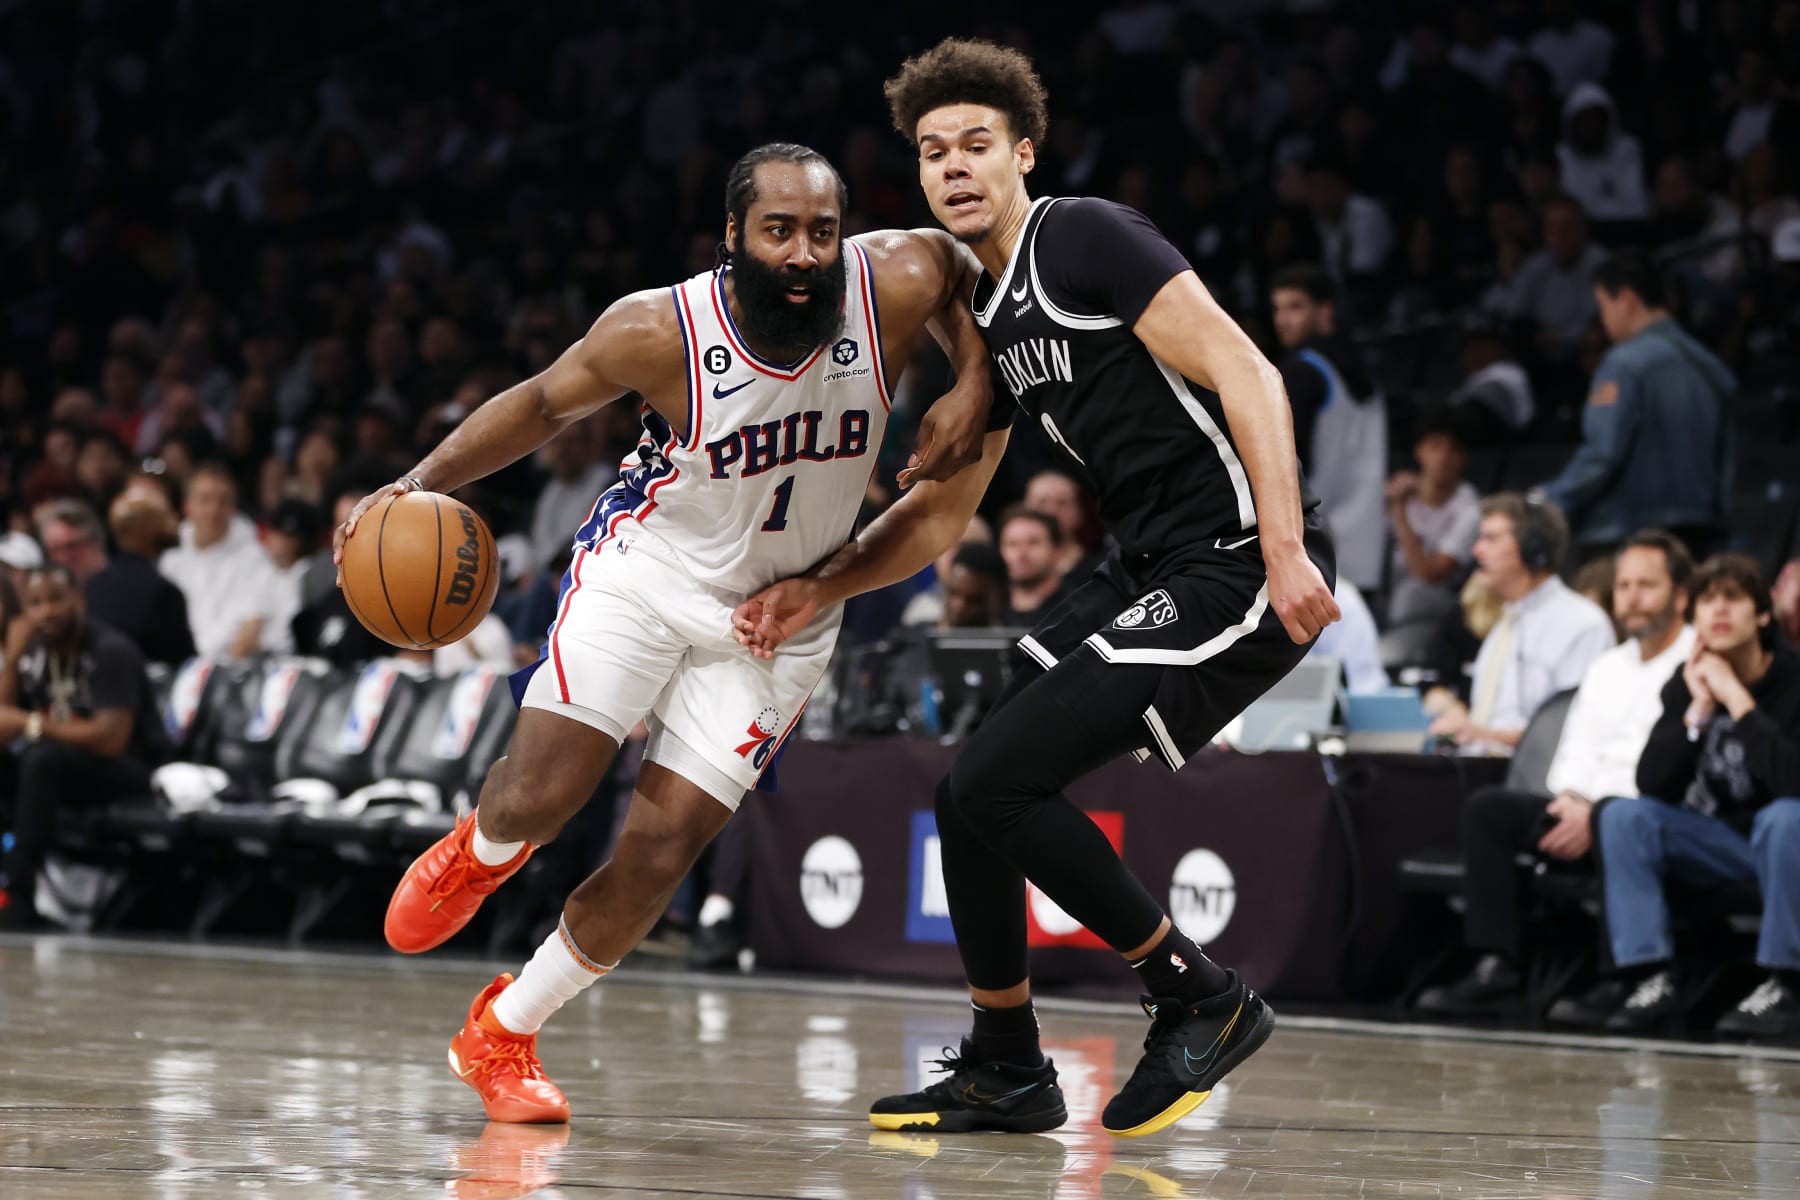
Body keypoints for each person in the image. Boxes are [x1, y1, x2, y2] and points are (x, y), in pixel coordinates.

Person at [734, 39, 1339, 1139]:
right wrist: (823, 586)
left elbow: (1249, 370)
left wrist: (1288, 550)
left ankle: (1198, 994)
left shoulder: (1087, 235)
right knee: (968, 789)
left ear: (1022, 153)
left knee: (1001, 779)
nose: (954, 167)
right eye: (932, 152)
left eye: (976, 145)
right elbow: (945, 514)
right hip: (1143, 563)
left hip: (1235, 553)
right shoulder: (993, 308)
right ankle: (1006, 1063)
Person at [333, 143, 995, 1124]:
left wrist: (974, 372)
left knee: (663, 847)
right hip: (645, 575)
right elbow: (543, 402)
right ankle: (485, 846)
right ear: (734, 237)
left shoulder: (893, 277)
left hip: (788, 610)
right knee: (545, 797)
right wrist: (418, 483)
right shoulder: (659, 326)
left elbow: (962, 271)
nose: (805, 252)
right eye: (779, 231)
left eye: (821, 230)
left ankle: (502, 1032)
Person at [1417, 530, 1695, 1014]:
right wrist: (1570, 799)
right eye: (1624, 585)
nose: (1631, 596)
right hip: (1582, 805)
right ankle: (1497, 965)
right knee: (1489, 810)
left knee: (1617, 818)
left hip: (1651, 813)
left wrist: (1593, 812)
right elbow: (1575, 746)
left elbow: (1668, 765)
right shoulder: (1608, 665)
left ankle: (1620, 980)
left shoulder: (1696, 661)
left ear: (1681, 595)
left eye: (1646, 585)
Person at [1553, 555, 1800, 1038]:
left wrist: (1740, 703)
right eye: (1707, 600)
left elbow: (1794, 783)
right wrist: (1697, 714)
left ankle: (1786, 983)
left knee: (1785, 817)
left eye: (1733, 598)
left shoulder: (1793, 680)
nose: (1719, 611)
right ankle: (1650, 977)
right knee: (1622, 815)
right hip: (1720, 846)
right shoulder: (1687, 683)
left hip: (1783, 841)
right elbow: (1653, 785)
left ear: (1763, 615)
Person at [0, 565, 168, 929]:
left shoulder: (111, 650)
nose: (46, 612)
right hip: (66, 770)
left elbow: (111, 740)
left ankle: (19, 889)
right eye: (35, 604)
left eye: (56, 599)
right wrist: (12, 658)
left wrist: (32, 724)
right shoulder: (34, 653)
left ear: (79, 598)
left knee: (41, 759)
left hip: (131, 771)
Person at [1538, 253, 1735, 560]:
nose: (1603, 320)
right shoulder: (1714, 369)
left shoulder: (1624, 362)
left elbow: (1603, 453)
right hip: (1700, 534)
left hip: (1627, 533)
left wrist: (1547, 501)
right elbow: (1728, 461)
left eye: (1603, 306)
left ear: (1626, 299)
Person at [1427, 494, 1615, 756]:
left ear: (1532, 549)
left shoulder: (1583, 625)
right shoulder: (1504, 626)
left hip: (1535, 781)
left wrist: (1481, 734)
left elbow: (1572, 733)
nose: (1476, 551)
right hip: (1479, 769)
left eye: (1491, 539)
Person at [1270, 263, 1386, 591]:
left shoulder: (1303, 373)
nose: (1283, 319)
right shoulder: (1369, 376)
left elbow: (1286, 463)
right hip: (1367, 552)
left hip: (1315, 552)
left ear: (1325, 312)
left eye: (1295, 307)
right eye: (1277, 308)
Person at [158, 464, 289, 659]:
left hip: (229, 672)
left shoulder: (254, 559)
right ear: (188, 506)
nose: (214, 510)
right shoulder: (170, 561)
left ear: (233, 508)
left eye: (223, 501)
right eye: (205, 500)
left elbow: (253, 627)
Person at [1385, 412, 1482, 627]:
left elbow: (1428, 575)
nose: (1443, 458)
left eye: (1453, 450)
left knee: (1411, 594)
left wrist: (1399, 511)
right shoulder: (1398, 490)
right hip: (1388, 585)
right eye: (1435, 446)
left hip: (1442, 598)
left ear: (1464, 458)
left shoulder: (1469, 508)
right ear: (1419, 451)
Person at [84, 490, 195, 668]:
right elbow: (184, 666)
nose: (175, 522)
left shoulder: (91, 585)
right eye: (165, 516)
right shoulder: (163, 593)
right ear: (144, 528)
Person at [995, 505, 1071, 626]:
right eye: (1012, 544)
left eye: (1033, 543)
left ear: (1057, 550)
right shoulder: (990, 609)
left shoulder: (1078, 610)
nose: (1021, 553)